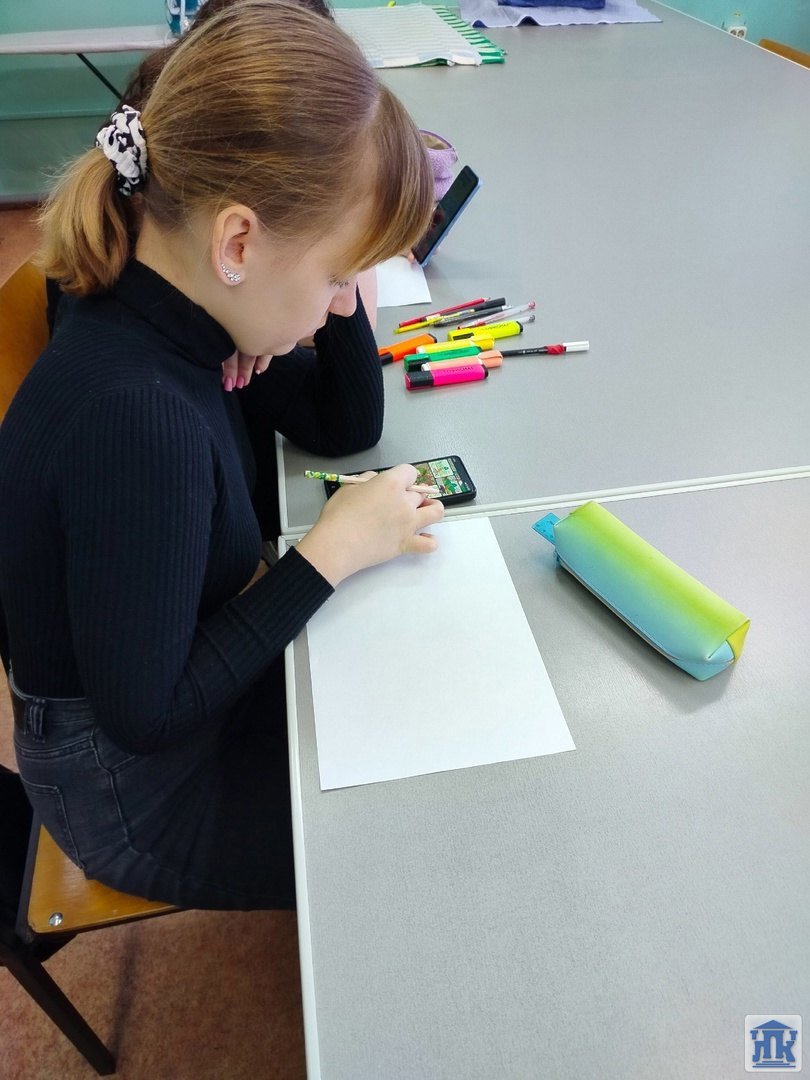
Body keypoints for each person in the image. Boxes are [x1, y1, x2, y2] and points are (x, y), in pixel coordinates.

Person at [0, 0, 443, 911]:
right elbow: (147, 714)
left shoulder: (176, 303)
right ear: (236, 240)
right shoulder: (137, 413)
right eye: (337, 276)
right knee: (422, 837)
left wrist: (305, 293)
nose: (340, 305)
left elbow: (342, 421)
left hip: (169, 690)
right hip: (138, 798)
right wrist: (328, 553)